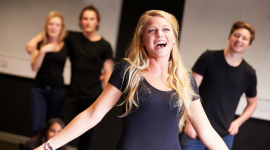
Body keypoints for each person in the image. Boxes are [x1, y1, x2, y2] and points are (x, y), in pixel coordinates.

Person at [33, 10, 228, 150]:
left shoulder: (186, 80)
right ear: (143, 40)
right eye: (152, 30)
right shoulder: (128, 71)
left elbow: (207, 132)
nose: (159, 34)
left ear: (174, 37)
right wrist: (47, 147)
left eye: (166, 29)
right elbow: (92, 115)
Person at [26, 5, 113, 150]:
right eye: (85, 18)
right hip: (73, 95)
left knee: (86, 135)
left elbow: (108, 72)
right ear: (80, 21)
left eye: (91, 19)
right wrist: (34, 44)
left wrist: (106, 99)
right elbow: (51, 31)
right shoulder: (73, 38)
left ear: (97, 22)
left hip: (93, 97)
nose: (88, 22)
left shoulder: (105, 46)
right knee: (58, 129)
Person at [181, 21, 258, 150]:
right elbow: (190, 91)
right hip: (196, 130)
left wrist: (238, 122)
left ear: (248, 45)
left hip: (224, 135)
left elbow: (253, 103)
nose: (239, 39)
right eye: (236, 35)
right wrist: (189, 121)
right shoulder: (208, 58)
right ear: (229, 38)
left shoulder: (249, 73)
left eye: (244, 38)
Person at [29, 11, 68, 135]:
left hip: (57, 91)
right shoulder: (40, 45)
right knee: (38, 127)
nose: (54, 27)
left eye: (57, 25)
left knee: (51, 130)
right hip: (39, 89)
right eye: (51, 24)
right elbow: (34, 67)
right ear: (46, 26)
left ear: (61, 28)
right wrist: (42, 51)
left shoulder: (66, 45)